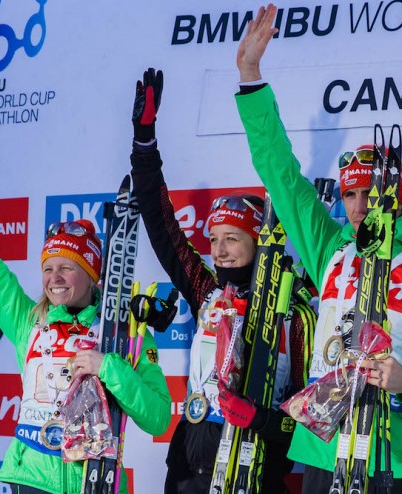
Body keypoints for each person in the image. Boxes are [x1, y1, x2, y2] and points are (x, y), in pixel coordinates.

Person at [234, 6, 402, 493]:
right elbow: (280, 173)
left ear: (398, 192)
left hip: (395, 462)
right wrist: (251, 79)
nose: (361, 205)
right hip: (322, 453)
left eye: (371, 192)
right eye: (350, 193)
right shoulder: (330, 249)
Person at [128, 68, 317, 494]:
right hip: (189, 470)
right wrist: (144, 143)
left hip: (255, 470)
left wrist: (260, 420)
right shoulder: (208, 292)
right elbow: (161, 223)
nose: (220, 249)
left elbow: (309, 416)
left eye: (232, 238)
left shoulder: (295, 312)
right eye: (214, 239)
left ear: (259, 241)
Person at [0, 130, 171, 494]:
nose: (54, 279)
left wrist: (109, 368)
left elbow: (158, 417)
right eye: (48, 268)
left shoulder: (124, 334)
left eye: (67, 268)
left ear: (91, 274)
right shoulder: (29, 321)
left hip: (98, 480)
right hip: (33, 480)